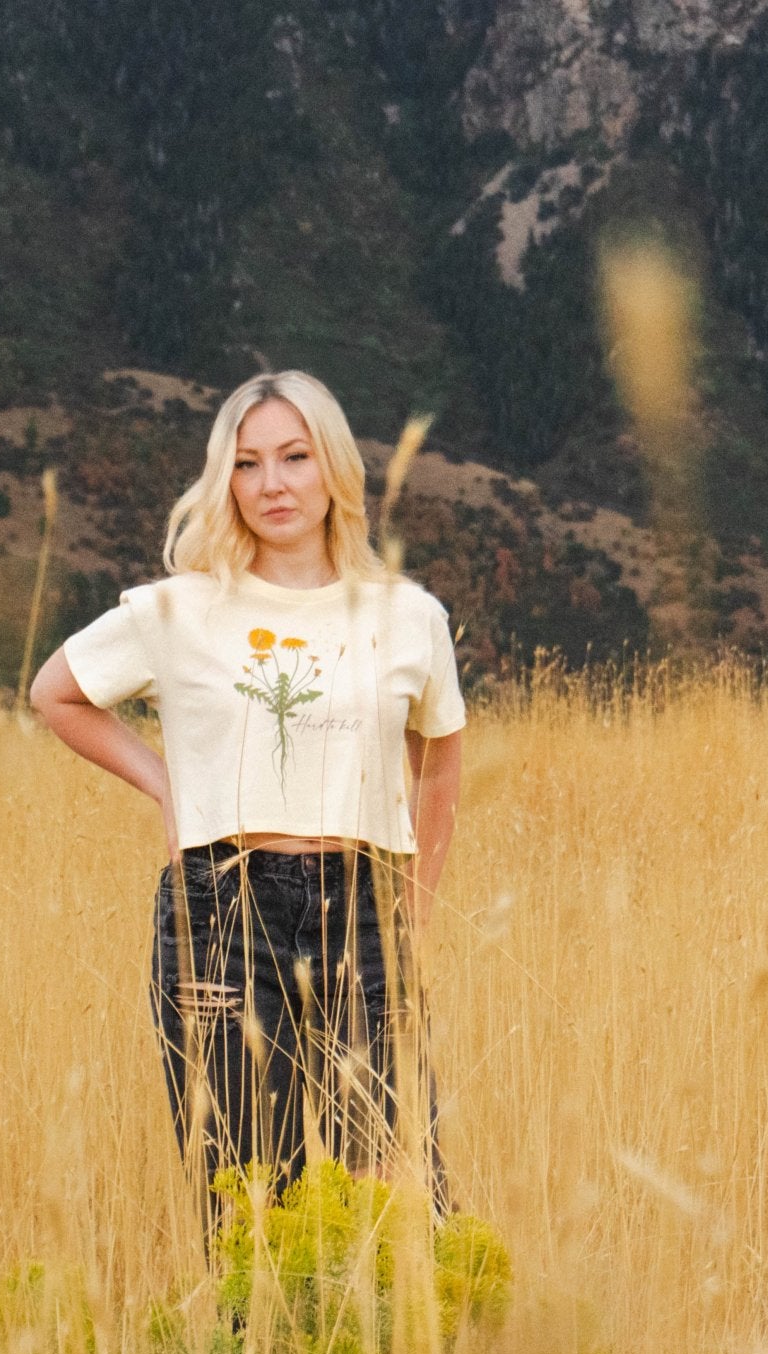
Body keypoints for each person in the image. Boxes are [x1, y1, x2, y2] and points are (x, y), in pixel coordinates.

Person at [29, 370, 464, 1214]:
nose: (273, 484)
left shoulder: (410, 616)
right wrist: (168, 786)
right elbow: (56, 691)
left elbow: (440, 760)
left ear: (333, 467)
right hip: (220, 917)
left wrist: (417, 909)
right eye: (248, 462)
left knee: (398, 1208)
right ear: (222, 480)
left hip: (366, 916)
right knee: (248, 1212)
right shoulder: (177, 610)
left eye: (295, 457)